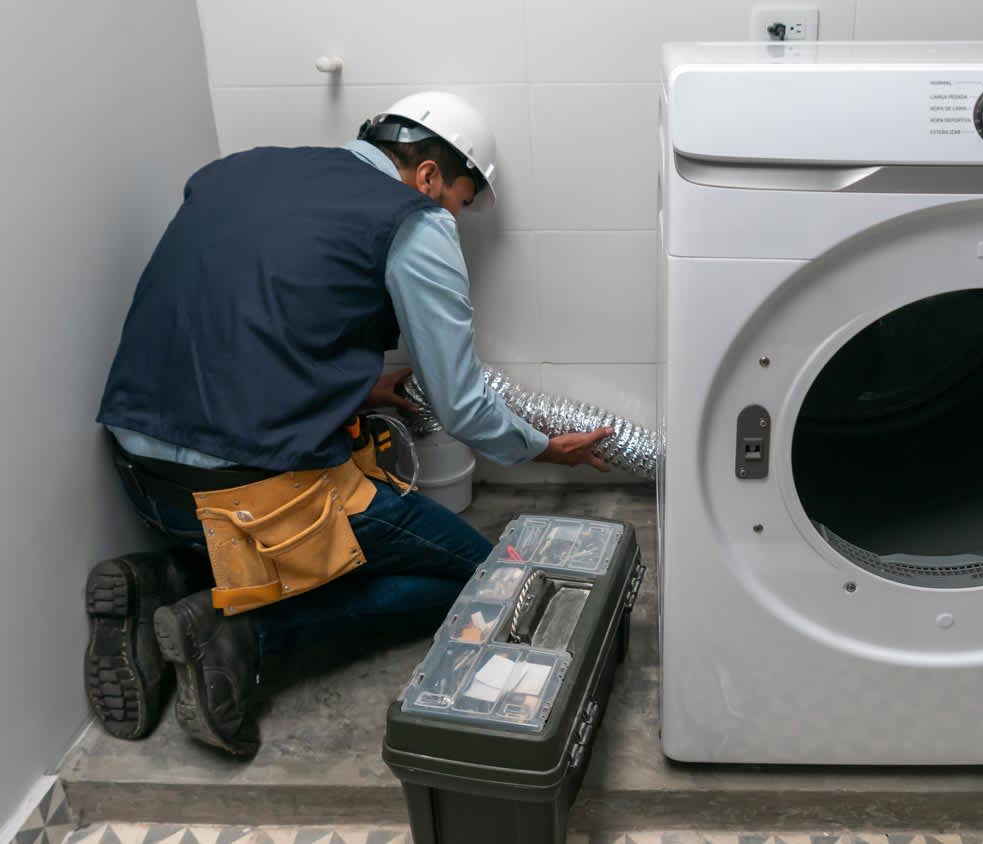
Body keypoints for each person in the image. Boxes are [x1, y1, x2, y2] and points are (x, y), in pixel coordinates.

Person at [86, 92, 611, 757]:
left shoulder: (241, 170)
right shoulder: (414, 221)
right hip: (250, 500)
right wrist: (544, 449)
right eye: (457, 200)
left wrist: (357, 387)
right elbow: (463, 405)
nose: (450, 215)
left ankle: (161, 581)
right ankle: (240, 637)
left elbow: (232, 320)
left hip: (143, 480)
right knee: (477, 577)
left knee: (323, 531)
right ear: (426, 176)